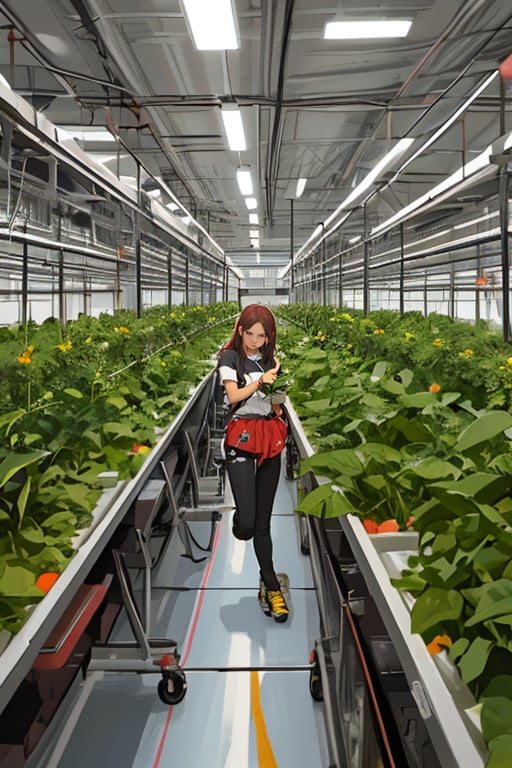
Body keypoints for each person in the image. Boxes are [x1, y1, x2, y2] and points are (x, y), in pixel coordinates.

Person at [218, 304, 289, 623]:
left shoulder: (274, 360)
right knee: (247, 524)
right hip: (241, 438)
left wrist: (278, 395)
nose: (255, 341)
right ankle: (240, 520)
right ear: (240, 331)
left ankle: (271, 585)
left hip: (270, 438)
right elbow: (233, 397)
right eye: (250, 334)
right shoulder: (230, 358)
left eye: (262, 336)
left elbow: (277, 400)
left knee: (263, 523)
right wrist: (263, 382)